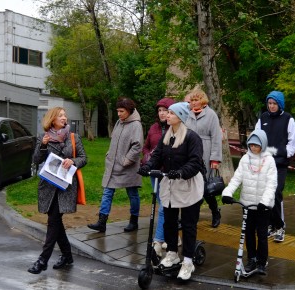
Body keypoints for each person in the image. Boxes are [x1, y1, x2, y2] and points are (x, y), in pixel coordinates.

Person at [138, 102, 206, 281]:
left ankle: (188, 262)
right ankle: (172, 253)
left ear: (180, 117)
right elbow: (157, 155)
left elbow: (195, 162)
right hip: (170, 184)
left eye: (171, 113)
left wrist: (182, 172)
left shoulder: (192, 138)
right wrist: (148, 167)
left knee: (189, 225)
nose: (167, 115)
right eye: (167, 112)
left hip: (189, 186)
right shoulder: (167, 136)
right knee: (169, 222)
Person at [28, 107, 87, 274]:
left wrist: (73, 161)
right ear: (52, 119)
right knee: (55, 221)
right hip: (49, 185)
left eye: (65, 115)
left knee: (53, 221)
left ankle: (43, 260)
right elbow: (36, 160)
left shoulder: (73, 137)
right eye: (60, 115)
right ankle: (67, 256)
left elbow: (84, 158)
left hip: (65, 186)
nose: (64, 117)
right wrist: (43, 146)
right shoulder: (44, 137)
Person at [221, 129, 277, 275]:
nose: (253, 148)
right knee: (249, 233)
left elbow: (272, 184)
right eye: (251, 145)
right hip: (248, 204)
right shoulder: (245, 159)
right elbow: (237, 178)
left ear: (263, 145)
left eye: (256, 145)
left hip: (263, 206)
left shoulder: (269, 160)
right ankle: (251, 258)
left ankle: (261, 261)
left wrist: (264, 202)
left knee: (262, 234)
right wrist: (227, 193)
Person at [88, 98, 144, 233]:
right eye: (117, 111)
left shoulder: (136, 125)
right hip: (113, 165)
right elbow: (114, 141)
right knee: (107, 192)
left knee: (132, 193)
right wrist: (109, 155)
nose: (118, 114)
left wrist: (126, 160)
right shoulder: (119, 122)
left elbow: (137, 146)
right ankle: (102, 222)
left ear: (129, 111)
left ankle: (134, 221)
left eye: (121, 111)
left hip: (128, 167)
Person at [255, 91, 295, 242]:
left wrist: (282, 153)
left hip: (279, 164)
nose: (271, 106)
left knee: (276, 194)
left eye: (274, 104)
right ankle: (270, 225)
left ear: (279, 104)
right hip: (264, 164)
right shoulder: (263, 118)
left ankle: (280, 227)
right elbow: (256, 137)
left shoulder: (288, 119)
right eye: (269, 103)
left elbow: (294, 144)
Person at [184, 89, 223, 228]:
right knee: (191, 186)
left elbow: (216, 137)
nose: (194, 103)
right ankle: (189, 218)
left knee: (205, 188)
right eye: (192, 100)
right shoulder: (188, 115)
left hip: (205, 153)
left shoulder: (211, 115)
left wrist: (215, 159)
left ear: (203, 101)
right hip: (190, 153)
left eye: (196, 100)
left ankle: (215, 212)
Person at [141, 97, 175, 257]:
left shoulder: (175, 128)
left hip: (168, 173)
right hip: (154, 171)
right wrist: (148, 157)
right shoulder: (154, 128)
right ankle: (172, 235)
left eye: (165, 110)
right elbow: (146, 146)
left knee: (164, 206)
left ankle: (158, 240)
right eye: (159, 110)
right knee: (163, 205)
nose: (161, 113)